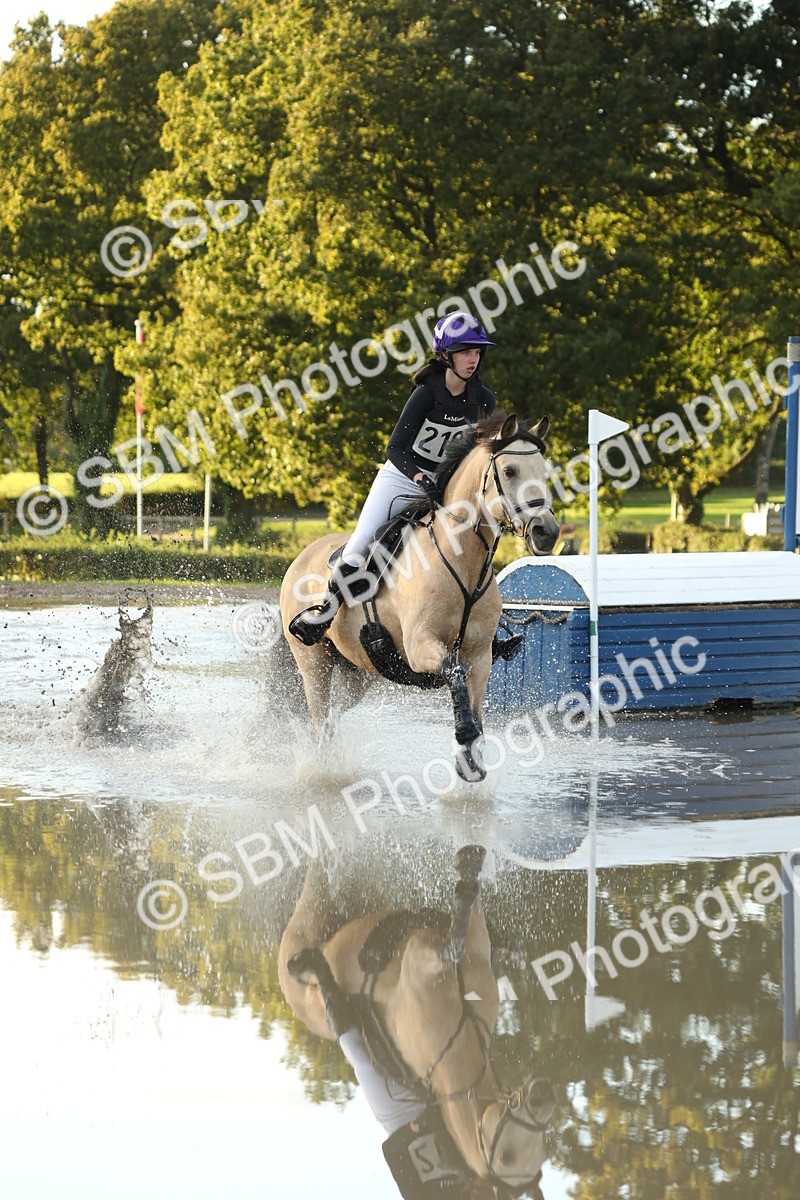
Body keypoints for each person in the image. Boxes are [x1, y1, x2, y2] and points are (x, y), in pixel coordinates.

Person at [289, 310, 502, 647]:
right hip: (403, 477)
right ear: (446, 356)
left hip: (447, 482)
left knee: (476, 538)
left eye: (476, 352)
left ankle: (485, 628)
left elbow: (482, 453)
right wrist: (419, 477)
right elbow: (395, 448)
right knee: (359, 548)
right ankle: (324, 613)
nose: (472, 360)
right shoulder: (427, 393)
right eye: (464, 352)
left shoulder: (484, 399)